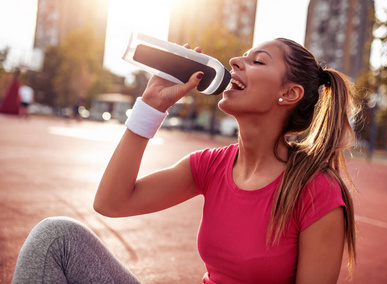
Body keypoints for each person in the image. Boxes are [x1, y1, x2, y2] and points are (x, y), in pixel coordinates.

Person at [12, 38, 358, 284]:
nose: (236, 62)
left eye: (258, 61)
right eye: (243, 56)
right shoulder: (210, 166)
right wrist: (150, 107)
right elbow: (111, 202)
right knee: (56, 238)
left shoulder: (317, 191)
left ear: (290, 93)